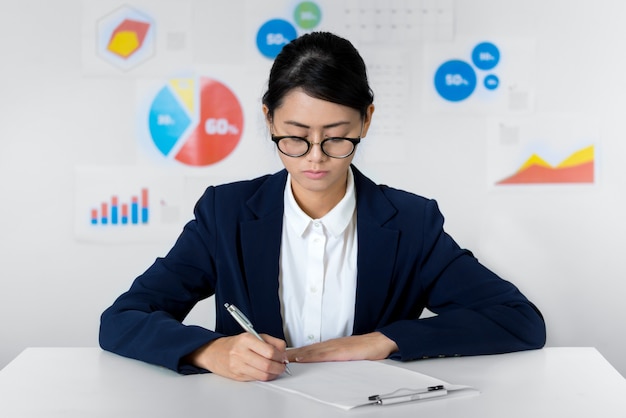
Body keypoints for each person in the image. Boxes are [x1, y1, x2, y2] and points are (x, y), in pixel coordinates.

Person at [99, 31, 546, 382]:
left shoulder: (411, 223)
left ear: (366, 120)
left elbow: (519, 321)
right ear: (269, 119)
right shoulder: (226, 213)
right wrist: (210, 350)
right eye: (295, 136)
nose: (315, 156)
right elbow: (122, 319)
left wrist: (382, 341)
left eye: (336, 136)